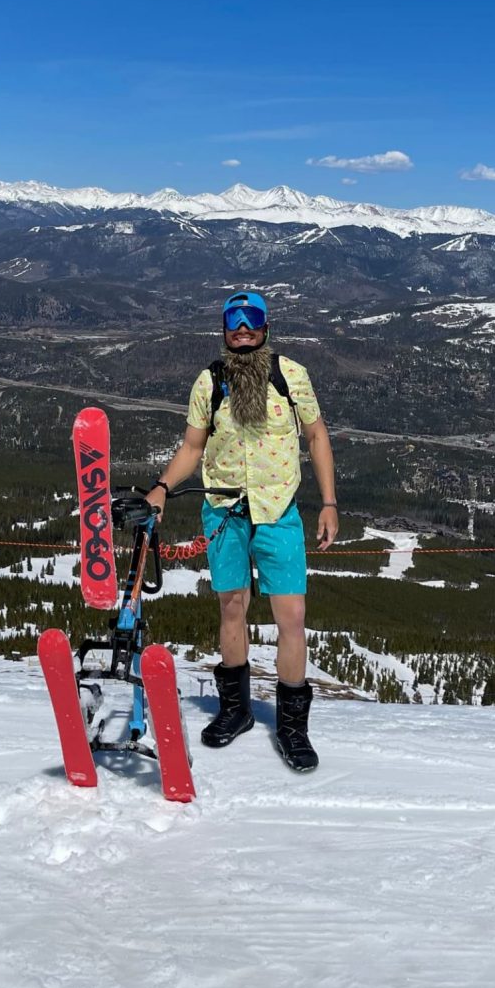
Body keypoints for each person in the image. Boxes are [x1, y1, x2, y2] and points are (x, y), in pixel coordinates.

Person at [146, 289, 338, 770]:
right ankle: (236, 711)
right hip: (225, 509)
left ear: (266, 327)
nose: (244, 327)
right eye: (235, 319)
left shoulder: (291, 377)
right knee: (232, 608)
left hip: (279, 510)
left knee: (291, 616)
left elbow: (316, 436)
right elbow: (192, 448)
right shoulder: (209, 383)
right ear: (224, 329)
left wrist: (330, 502)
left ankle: (293, 727)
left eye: (253, 318)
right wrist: (161, 488)